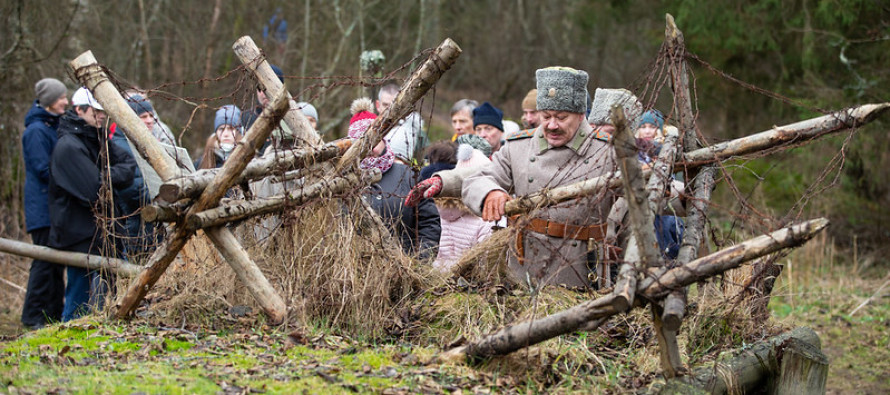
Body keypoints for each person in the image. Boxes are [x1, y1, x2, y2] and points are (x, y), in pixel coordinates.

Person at [49, 87, 136, 321]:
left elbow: (129, 164)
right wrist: (109, 176)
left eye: (103, 111)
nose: (101, 116)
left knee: (114, 288)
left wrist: (105, 174)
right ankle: (69, 334)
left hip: (102, 230)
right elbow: (93, 189)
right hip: (79, 233)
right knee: (79, 293)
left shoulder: (97, 138)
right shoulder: (69, 146)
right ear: (79, 110)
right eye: (96, 111)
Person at [350, 98, 440, 259]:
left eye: (374, 139)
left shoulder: (408, 175)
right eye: (362, 141)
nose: (370, 146)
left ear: (383, 138)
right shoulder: (345, 181)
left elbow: (429, 223)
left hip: (405, 270)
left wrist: (420, 262)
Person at [20, 78, 68, 329]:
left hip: (54, 208)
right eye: (62, 98)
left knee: (55, 261)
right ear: (49, 100)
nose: (66, 101)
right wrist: (69, 179)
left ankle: (53, 314)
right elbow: (42, 168)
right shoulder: (37, 131)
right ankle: (33, 316)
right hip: (42, 208)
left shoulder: (52, 126)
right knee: (43, 261)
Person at [433, 142, 495, 272]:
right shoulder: (484, 219)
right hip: (468, 284)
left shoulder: (435, 211)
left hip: (436, 280)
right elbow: (486, 262)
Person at [375, 83, 425, 162]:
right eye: (385, 105)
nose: (389, 111)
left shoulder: (412, 131)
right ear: (378, 105)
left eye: (394, 106)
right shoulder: (368, 127)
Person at [198, 105, 243, 170]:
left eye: (231, 128)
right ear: (216, 133)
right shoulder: (204, 161)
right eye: (221, 129)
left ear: (238, 132)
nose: (226, 134)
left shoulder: (249, 158)